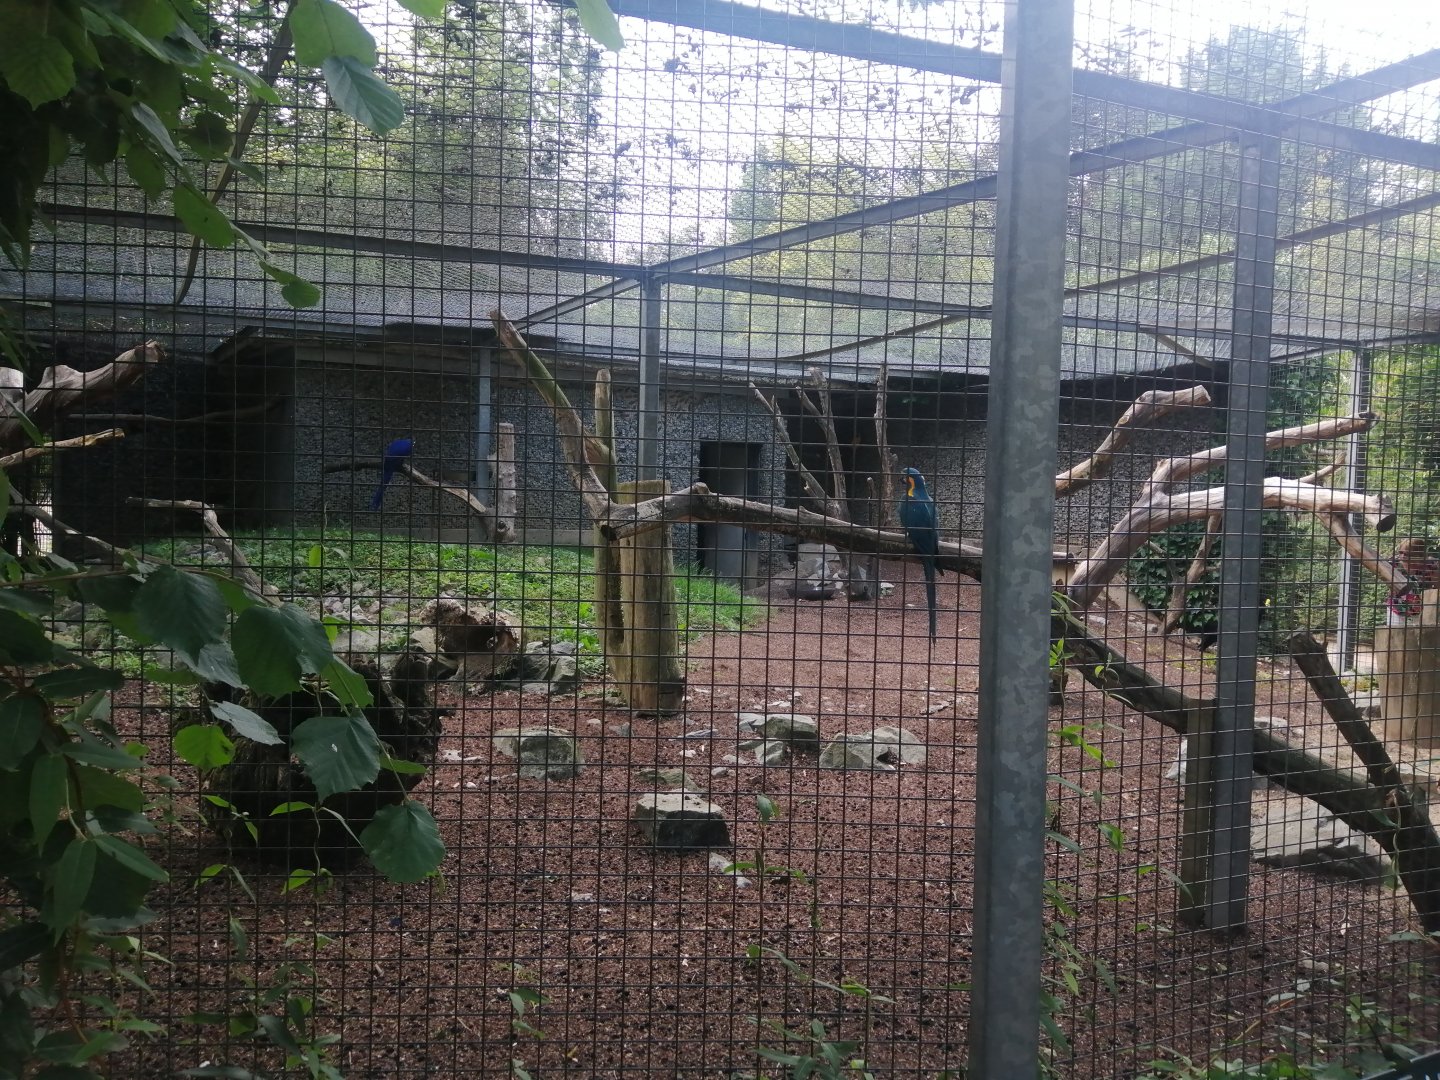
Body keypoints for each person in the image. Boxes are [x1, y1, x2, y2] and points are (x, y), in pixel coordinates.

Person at [1385, 537, 1440, 626]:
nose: (1402, 556)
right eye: (1400, 552)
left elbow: (1438, 587)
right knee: (1396, 636)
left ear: (1418, 554)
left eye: (1407, 554)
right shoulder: (1394, 563)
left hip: (1421, 610)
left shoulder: (1430, 565)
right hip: (1397, 608)